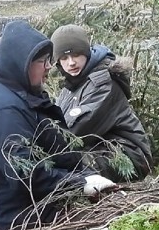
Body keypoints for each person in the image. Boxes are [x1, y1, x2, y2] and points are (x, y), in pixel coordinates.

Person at [0, 20, 116, 230]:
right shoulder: (5, 112)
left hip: (20, 207)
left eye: (48, 61)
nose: (48, 68)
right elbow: (26, 175)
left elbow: (54, 147)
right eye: (42, 62)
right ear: (21, 64)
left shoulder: (20, 94)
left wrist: (85, 175)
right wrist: (79, 184)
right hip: (8, 222)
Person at [50, 24, 153, 182]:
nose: (71, 63)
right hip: (98, 149)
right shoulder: (70, 87)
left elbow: (73, 133)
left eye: (76, 55)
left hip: (128, 156)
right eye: (64, 58)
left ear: (86, 53)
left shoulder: (103, 83)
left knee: (64, 170)